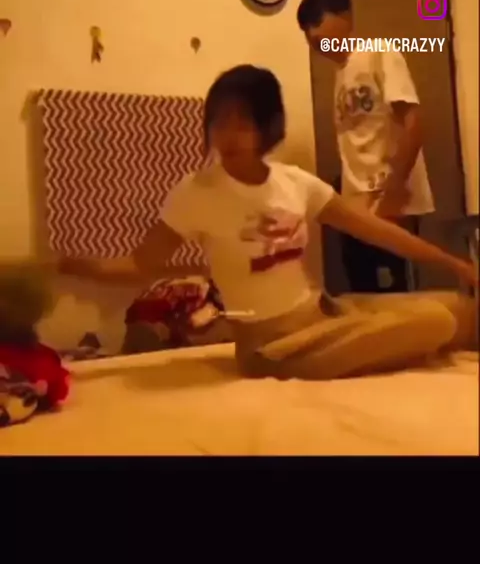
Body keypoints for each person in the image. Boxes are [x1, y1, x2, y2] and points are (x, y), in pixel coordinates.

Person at [60, 65, 477, 381]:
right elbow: (140, 263)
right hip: (275, 347)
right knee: (436, 322)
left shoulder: (293, 182)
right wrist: (73, 265)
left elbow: (375, 230)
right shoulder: (197, 191)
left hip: (324, 312)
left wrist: (456, 264)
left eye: (242, 122)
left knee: (458, 305)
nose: (229, 134)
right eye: (220, 122)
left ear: (267, 127)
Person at [297, 0, 434, 292]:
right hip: (357, 202)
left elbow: (413, 122)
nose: (315, 39)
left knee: (393, 293)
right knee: (362, 289)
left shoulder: (380, 52)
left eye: (319, 26)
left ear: (346, 17)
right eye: (309, 34)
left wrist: (394, 191)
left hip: (388, 198)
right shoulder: (341, 73)